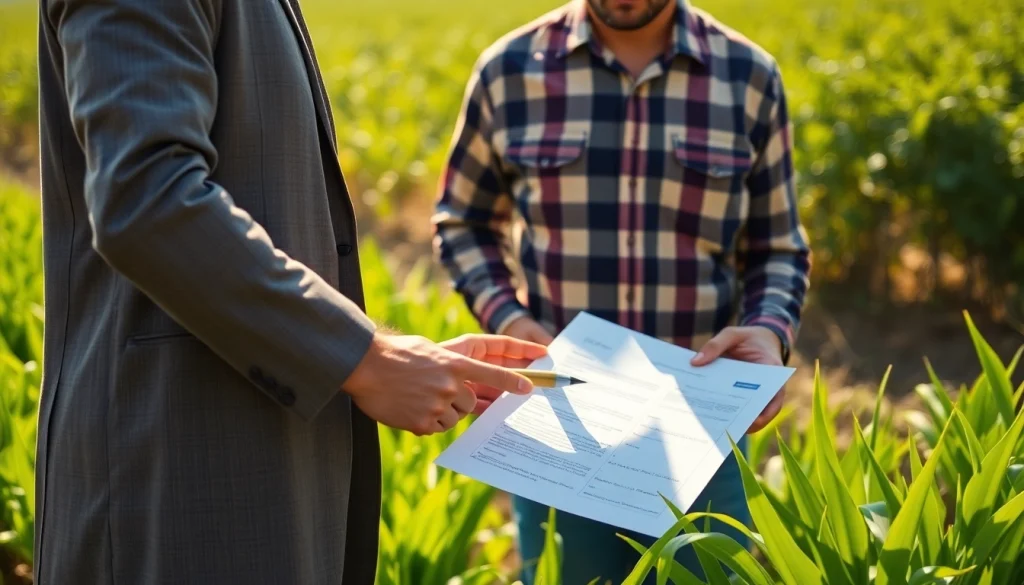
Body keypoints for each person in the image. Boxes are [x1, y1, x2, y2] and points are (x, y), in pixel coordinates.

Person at [33, 1, 548, 584]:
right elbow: (149, 203)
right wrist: (365, 359)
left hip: (250, 459)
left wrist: (383, 354)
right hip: (173, 473)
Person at [433, 0, 811, 582]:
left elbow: (777, 247)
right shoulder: (508, 71)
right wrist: (508, 319)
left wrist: (767, 331)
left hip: (702, 422)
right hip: (559, 424)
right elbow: (463, 222)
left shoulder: (748, 76)